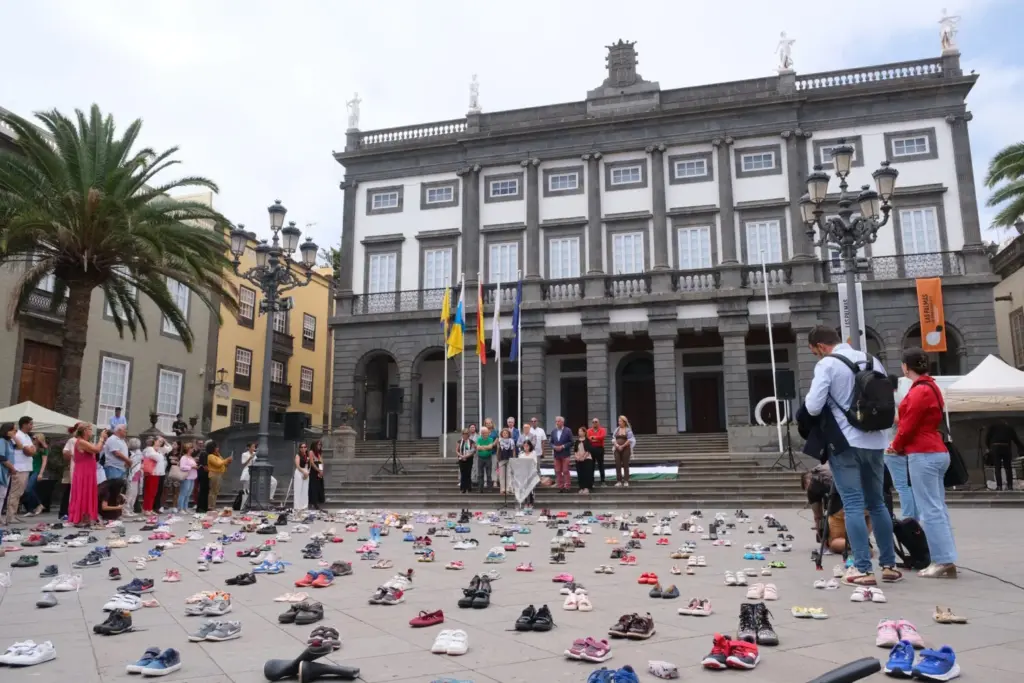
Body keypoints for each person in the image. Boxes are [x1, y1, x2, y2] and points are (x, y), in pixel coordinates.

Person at [804, 325, 901, 586]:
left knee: (854, 504)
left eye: (815, 353)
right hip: (876, 440)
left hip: (846, 442)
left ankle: (862, 568)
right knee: (878, 503)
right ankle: (889, 565)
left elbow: (813, 407)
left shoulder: (828, 365)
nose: (817, 357)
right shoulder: (872, 360)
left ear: (821, 347)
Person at [890, 347, 958, 579]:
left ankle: (942, 560)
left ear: (905, 367)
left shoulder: (919, 391)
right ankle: (946, 557)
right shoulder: (932, 387)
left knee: (929, 510)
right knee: (937, 507)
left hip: (923, 452)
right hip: (935, 450)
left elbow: (908, 425)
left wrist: (895, 446)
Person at [883, 375, 916, 519]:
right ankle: (914, 515)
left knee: (902, 485)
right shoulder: (902, 396)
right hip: (901, 446)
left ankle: (909, 516)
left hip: (892, 447)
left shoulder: (891, 399)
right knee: (907, 485)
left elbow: (898, 419)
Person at [68, 423, 107, 525]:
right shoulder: (80, 442)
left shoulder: (85, 442)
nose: (91, 432)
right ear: (85, 431)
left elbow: (96, 450)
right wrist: (101, 438)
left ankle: (86, 516)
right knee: (83, 492)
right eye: (90, 429)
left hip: (88, 471)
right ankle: (81, 517)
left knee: (87, 492)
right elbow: (96, 449)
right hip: (83, 471)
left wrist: (102, 441)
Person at [7, 416, 37, 524]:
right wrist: (31, 449)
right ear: (24, 424)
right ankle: (10, 515)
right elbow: (28, 451)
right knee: (15, 492)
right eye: (30, 424)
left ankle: (13, 514)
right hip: (19, 467)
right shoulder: (18, 435)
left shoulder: (27, 436)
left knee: (20, 492)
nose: (32, 426)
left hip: (26, 467)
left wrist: (32, 449)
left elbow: (33, 449)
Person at [985, 418, 1023, 491]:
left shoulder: (992, 427)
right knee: (1008, 468)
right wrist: (1021, 448)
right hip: (1006, 447)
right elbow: (1016, 440)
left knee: (997, 467)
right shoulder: (1009, 428)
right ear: (1005, 423)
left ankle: (999, 486)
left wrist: (988, 447)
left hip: (995, 448)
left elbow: (987, 438)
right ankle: (1010, 486)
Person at [240, 442, 278, 507]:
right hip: (248, 470)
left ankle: (269, 497)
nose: (254, 448)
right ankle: (244, 505)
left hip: (257, 471)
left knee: (274, 481)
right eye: (252, 447)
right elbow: (243, 463)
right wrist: (250, 458)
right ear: (249, 447)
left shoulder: (256, 454)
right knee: (246, 490)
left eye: (254, 447)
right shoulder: (244, 454)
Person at [142, 437, 170, 514]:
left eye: (161, 442)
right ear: (154, 441)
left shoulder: (158, 450)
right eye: (159, 441)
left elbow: (168, 449)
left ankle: (150, 508)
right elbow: (158, 458)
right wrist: (159, 453)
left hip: (157, 473)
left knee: (154, 492)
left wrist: (165, 441)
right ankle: (146, 509)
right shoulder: (150, 449)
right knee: (149, 492)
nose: (160, 443)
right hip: (152, 473)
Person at [22, 432, 48, 516]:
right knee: (28, 490)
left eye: (35, 438)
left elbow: (44, 462)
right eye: (33, 438)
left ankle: (39, 504)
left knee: (29, 488)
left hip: (36, 470)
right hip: (28, 469)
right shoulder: (31, 447)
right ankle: (30, 509)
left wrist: (41, 473)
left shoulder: (43, 449)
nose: (33, 440)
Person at [549, 416, 573, 492]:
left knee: (565, 470)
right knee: (558, 471)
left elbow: (571, 442)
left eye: (558, 421)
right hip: (556, 455)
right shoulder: (553, 431)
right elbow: (550, 442)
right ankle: (560, 487)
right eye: (556, 421)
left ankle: (567, 487)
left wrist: (563, 446)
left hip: (565, 454)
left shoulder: (568, 430)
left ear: (562, 422)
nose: (557, 423)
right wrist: (554, 447)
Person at [612, 415, 636, 487]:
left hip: (625, 448)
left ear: (624, 422)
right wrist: (617, 445)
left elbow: (630, 439)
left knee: (625, 464)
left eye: (620, 421)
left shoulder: (628, 430)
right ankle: (619, 481)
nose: (619, 422)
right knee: (617, 464)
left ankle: (626, 480)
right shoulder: (617, 430)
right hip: (617, 448)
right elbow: (613, 438)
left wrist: (622, 446)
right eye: (618, 421)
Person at [205, 441, 231, 510]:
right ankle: (210, 506)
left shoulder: (218, 456)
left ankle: (213, 506)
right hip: (214, 474)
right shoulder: (210, 456)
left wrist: (227, 461)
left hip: (219, 474)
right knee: (213, 491)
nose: (218, 448)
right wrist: (226, 460)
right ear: (212, 448)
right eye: (216, 447)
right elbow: (218, 464)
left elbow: (223, 463)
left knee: (216, 491)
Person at [0, 423, 17, 518]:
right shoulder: (2, 441)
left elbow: (20, 446)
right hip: (2, 470)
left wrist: (14, 437)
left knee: (2, 495)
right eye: (13, 430)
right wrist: (12, 468)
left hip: (7, 471)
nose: (15, 432)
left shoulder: (10, 442)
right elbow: (1, 457)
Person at [124, 437, 143, 516]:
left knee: (135, 493)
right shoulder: (130, 453)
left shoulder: (139, 453)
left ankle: (131, 509)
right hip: (131, 475)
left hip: (137, 475)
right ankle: (126, 510)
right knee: (130, 493)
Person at [573, 426, 595, 494]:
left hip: (587, 459)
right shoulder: (577, 441)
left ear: (584, 432)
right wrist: (577, 457)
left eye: (581, 431)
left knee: (587, 474)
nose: (579, 432)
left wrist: (583, 457)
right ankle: (581, 487)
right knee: (580, 474)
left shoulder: (588, 440)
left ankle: (586, 487)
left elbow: (588, 450)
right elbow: (575, 451)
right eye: (579, 431)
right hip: (578, 459)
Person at [586, 418, 608, 486]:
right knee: (591, 466)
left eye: (596, 422)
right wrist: (596, 439)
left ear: (598, 423)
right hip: (591, 449)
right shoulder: (589, 430)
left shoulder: (602, 429)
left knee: (601, 465)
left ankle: (603, 481)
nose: (594, 423)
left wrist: (594, 438)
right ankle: (591, 482)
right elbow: (588, 438)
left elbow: (602, 437)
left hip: (599, 449)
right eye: (593, 422)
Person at [455, 429, 477, 494]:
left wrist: (466, 456)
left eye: (466, 434)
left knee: (468, 473)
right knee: (463, 473)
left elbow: (473, 451)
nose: (465, 435)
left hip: (469, 459)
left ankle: (469, 487)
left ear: (468, 435)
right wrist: (461, 456)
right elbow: (457, 450)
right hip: (461, 459)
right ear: (462, 434)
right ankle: (463, 488)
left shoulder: (471, 442)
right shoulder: (459, 441)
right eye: (464, 434)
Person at [496, 427, 516, 495]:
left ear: (508, 434)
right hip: (501, 459)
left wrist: (513, 458)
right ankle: (502, 489)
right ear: (501, 434)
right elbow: (498, 450)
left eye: (506, 433)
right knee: (502, 475)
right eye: (503, 433)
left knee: (509, 475)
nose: (505, 434)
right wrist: (497, 458)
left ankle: (508, 489)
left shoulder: (511, 440)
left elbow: (513, 450)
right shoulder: (499, 441)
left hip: (509, 459)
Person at [177, 447, 198, 512]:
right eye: (191, 448)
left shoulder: (191, 457)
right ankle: (180, 508)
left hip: (192, 477)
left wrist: (196, 466)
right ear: (187, 449)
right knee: (183, 493)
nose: (192, 449)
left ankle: (185, 508)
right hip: (186, 477)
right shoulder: (184, 457)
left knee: (188, 494)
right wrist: (191, 467)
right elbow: (182, 467)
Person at [475, 426, 495, 492]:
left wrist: (482, 447)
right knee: (480, 474)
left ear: (488, 433)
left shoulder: (491, 439)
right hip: (480, 458)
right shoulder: (479, 439)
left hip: (488, 458)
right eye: (483, 433)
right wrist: (486, 447)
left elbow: (490, 447)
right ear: (481, 433)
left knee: (489, 474)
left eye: (485, 432)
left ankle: (489, 489)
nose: (484, 434)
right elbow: (478, 448)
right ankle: (480, 489)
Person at [518, 438, 538, 506]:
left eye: (527, 446)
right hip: (523, 473)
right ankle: (526, 502)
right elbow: (519, 463)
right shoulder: (521, 454)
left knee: (530, 488)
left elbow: (535, 462)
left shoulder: (533, 453)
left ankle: (531, 502)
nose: (526, 447)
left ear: (530, 446)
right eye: (524, 446)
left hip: (531, 473)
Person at [293, 442, 310, 511]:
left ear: (306, 448)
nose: (303, 448)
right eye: (301, 447)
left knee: (305, 490)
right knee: (298, 489)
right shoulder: (298, 455)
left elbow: (309, 465)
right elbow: (297, 466)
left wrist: (307, 473)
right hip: (299, 472)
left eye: (304, 447)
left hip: (306, 471)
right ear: (299, 449)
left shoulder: (307, 455)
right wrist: (304, 472)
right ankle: (297, 506)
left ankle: (304, 506)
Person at [309, 440, 326, 510]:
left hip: (319, 473)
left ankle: (318, 501)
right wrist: (318, 470)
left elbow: (321, 463)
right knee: (314, 487)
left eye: (320, 445)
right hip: (314, 472)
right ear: (315, 445)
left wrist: (321, 471)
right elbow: (312, 463)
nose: (319, 446)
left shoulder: (319, 454)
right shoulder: (311, 452)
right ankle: (314, 503)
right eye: (318, 445)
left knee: (319, 487)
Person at [194, 441, 210, 513]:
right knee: (197, 489)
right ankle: (198, 505)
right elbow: (205, 466)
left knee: (203, 490)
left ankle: (200, 506)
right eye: (199, 443)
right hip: (200, 473)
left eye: (202, 443)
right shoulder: (202, 453)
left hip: (202, 473)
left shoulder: (206, 453)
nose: (201, 445)